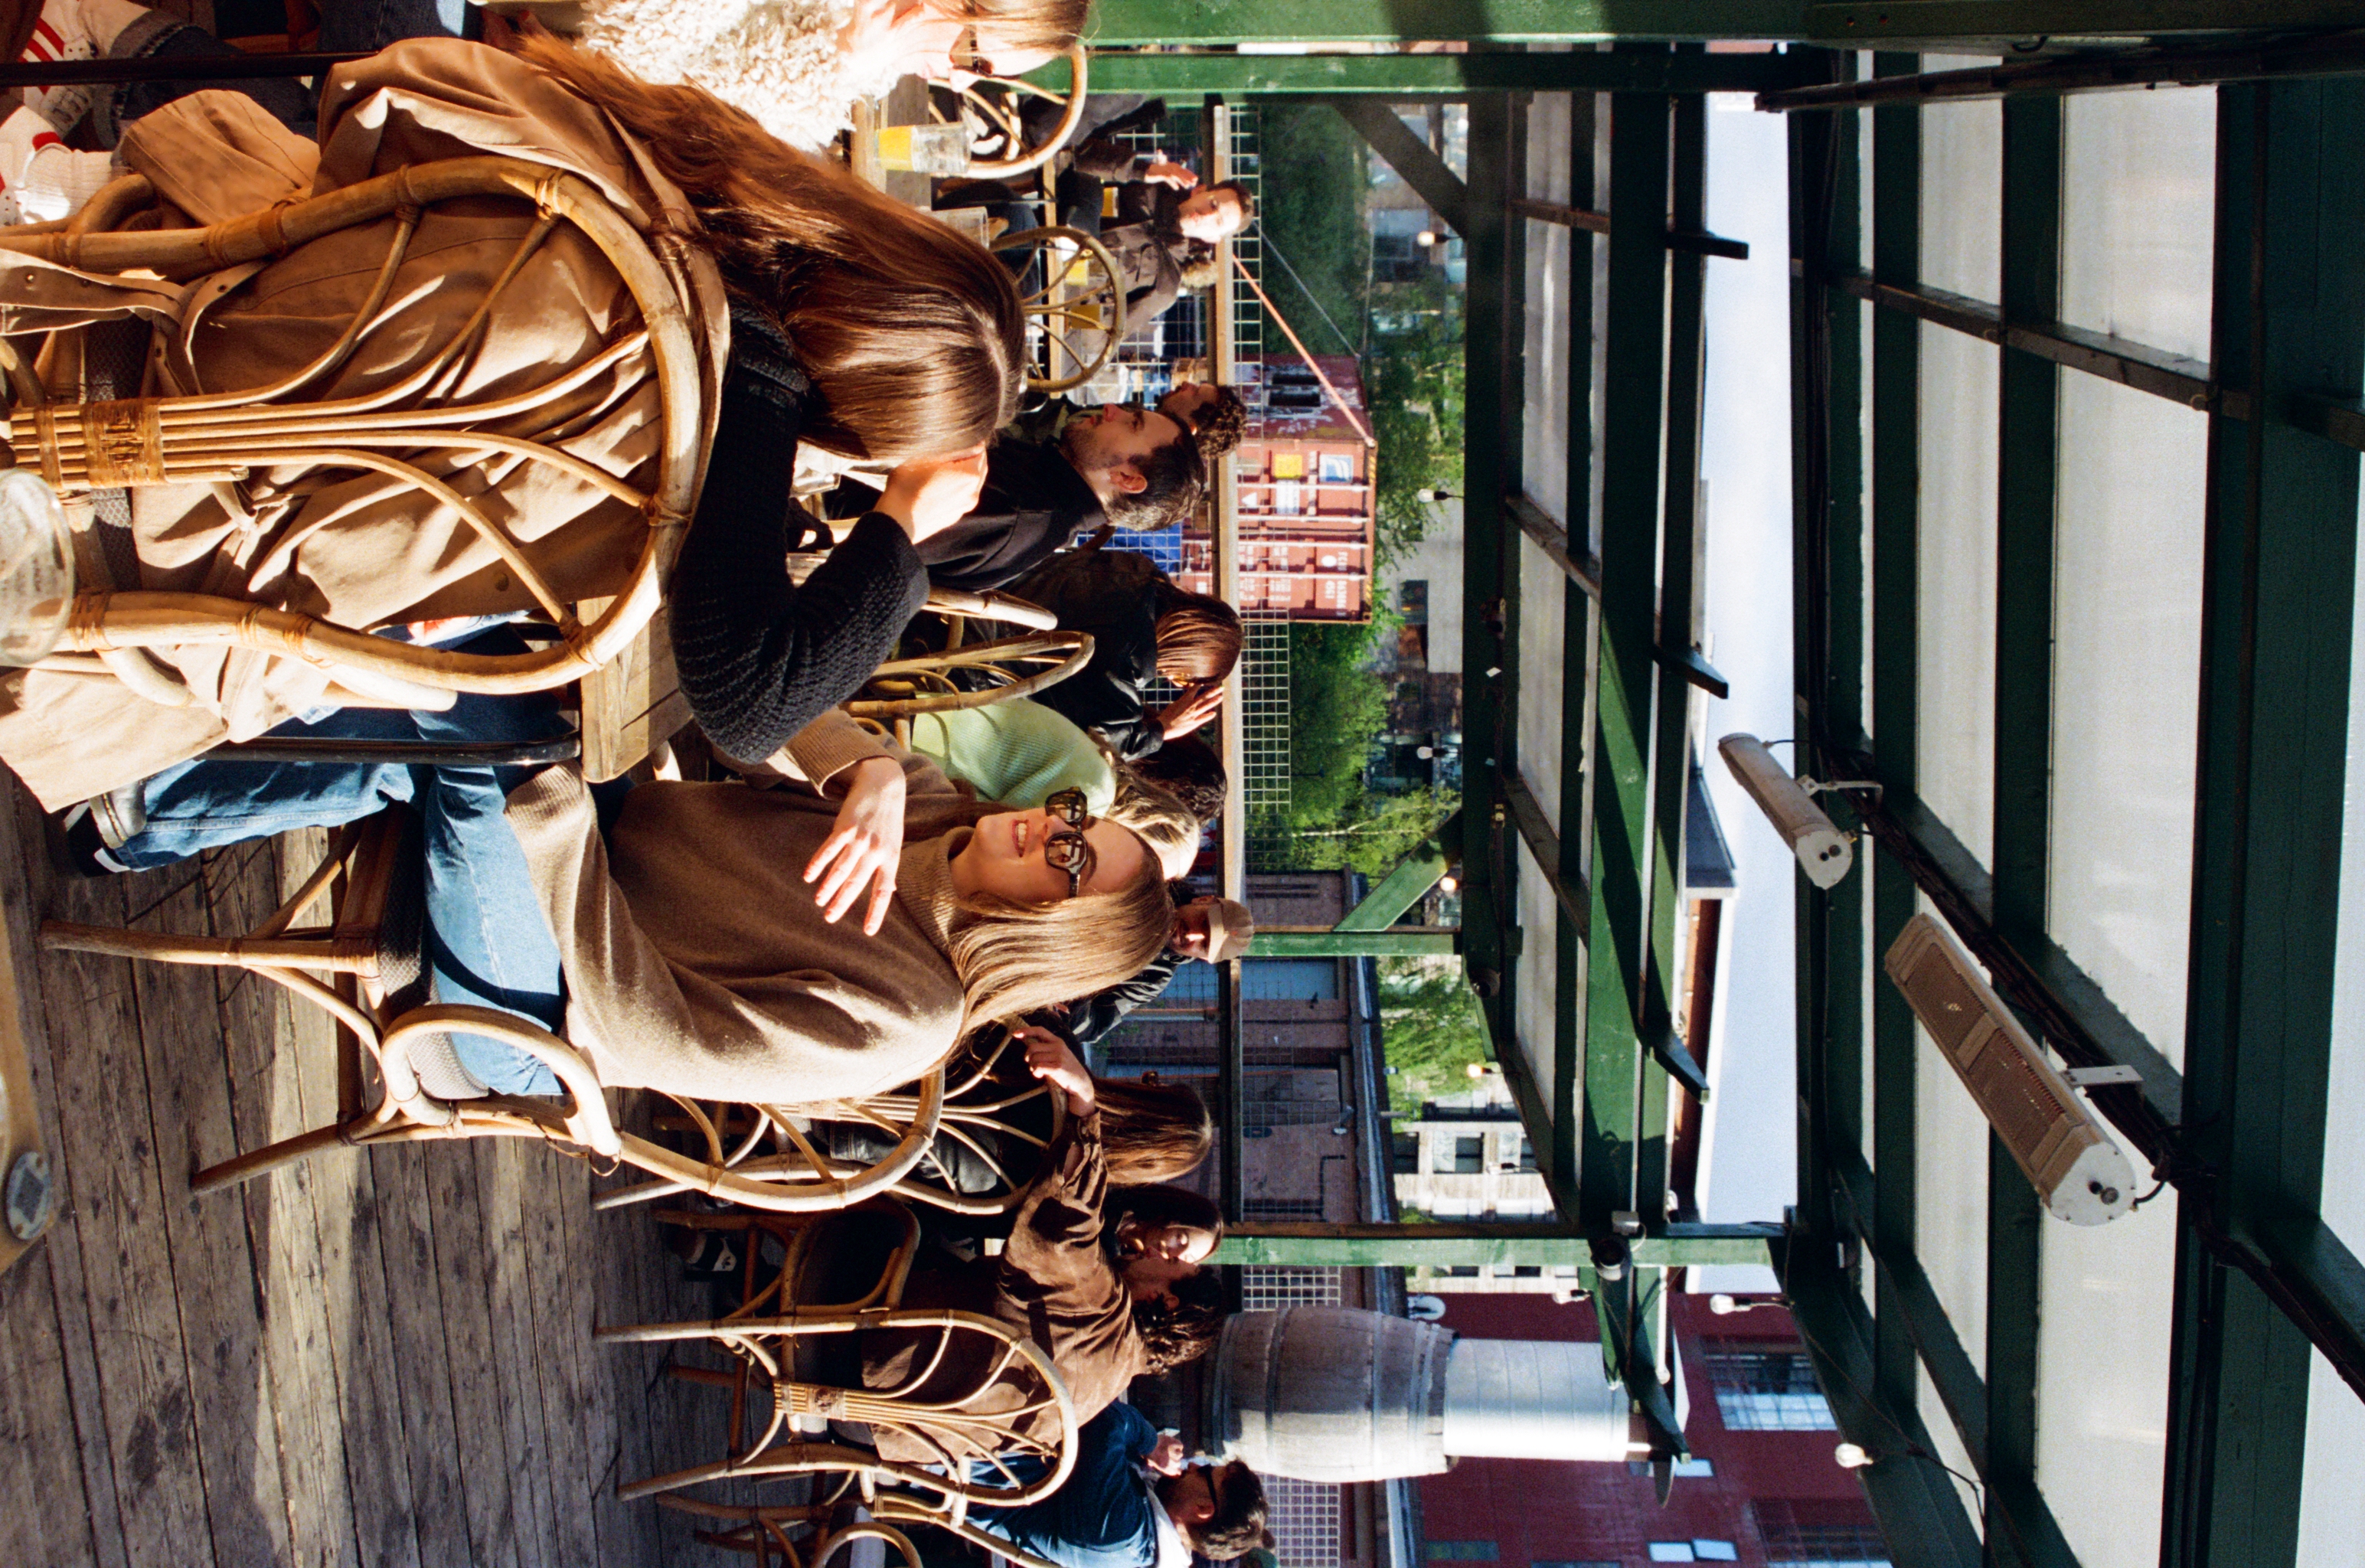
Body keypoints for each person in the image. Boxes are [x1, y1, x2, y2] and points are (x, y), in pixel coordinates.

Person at [0, 33, 1024, 810]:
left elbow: (380, 87)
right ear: (857, 407)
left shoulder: (644, 166)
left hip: (121, 305)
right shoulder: (726, 392)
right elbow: (750, 704)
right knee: (391, 686)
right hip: (153, 546)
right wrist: (899, 525)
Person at [74, 704, 1177, 1106]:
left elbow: (652, 1032)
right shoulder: (928, 817)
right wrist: (865, 769)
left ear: (1055, 931)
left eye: (1071, 864)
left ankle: (144, 808)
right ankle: (143, 810)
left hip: (530, 1018)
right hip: (577, 857)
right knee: (504, 662)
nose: (1052, 830)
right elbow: (752, 695)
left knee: (487, 733)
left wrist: (556, 822)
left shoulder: (911, 1012)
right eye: (1076, 819)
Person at [852, 1033, 1224, 1466]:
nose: (1164, 1256)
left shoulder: (1099, 1305)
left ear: (1168, 1298)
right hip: (879, 1437)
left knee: (884, 1218)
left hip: (863, 1350)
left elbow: (1064, 1224)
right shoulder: (1103, 1392)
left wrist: (1085, 1103)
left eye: (1178, 1265)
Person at [573, 0, 1084, 152]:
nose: (957, 84)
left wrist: (838, 65)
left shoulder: (873, 46)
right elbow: (619, 74)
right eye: (974, 61)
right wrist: (831, 67)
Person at [841, 401, 1207, 596]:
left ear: (1126, 479)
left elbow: (857, 522)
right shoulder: (1045, 490)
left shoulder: (1023, 514)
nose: (1113, 408)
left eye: (1132, 424)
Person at [1002, 546, 1242, 760]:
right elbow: (1098, 747)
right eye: (1183, 679)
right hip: (982, 654)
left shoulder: (1141, 569)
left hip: (994, 579)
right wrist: (1163, 729)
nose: (1174, 682)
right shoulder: (1126, 658)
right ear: (1185, 658)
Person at [965, 1402, 1272, 1568]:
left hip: (964, 1456)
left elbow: (1100, 1418)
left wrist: (1151, 1443)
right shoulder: (1144, 1522)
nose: (1193, 1465)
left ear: (1203, 1510)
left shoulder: (1123, 1535)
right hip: (994, 1438)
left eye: (1205, 1474)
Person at [1041, 890, 1250, 1054]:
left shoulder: (1153, 979)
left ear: (1204, 959)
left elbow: (1091, 1027)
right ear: (1203, 900)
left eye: (1203, 944)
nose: (1192, 935)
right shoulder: (1153, 879)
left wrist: (1085, 981)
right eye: (1203, 922)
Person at [1006, 382, 1246, 462]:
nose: (1186, 385)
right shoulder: (1133, 413)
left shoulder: (1131, 455)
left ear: (1189, 428)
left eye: (1194, 393)